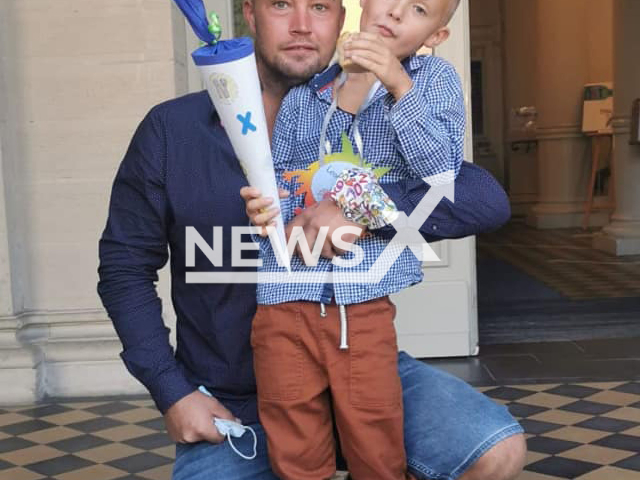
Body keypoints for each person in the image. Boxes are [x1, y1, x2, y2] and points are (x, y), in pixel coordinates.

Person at [97, 0, 526, 479]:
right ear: (251, 14)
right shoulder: (172, 130)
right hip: (236, 398)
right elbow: (123, 269)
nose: (301, 25)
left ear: (342, 19)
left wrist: (355, 206)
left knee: (497, 451)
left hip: (356, 357)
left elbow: (482, 199)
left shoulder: (373, 112)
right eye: (281, 4)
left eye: (319, 6)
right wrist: (172, 391)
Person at [242, 0, 470, 477]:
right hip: (284, 298)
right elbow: (289, 179)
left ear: (434, 37)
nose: (395, 14)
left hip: (361, 303)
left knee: (373, 430)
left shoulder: (431, 82)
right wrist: (267, 211)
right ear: (363, 5)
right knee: (292, 434)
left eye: (419, 9)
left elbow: (442, 175)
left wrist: (397, 84)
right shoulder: (308, 94)